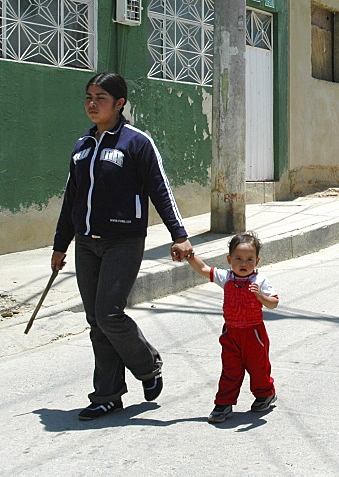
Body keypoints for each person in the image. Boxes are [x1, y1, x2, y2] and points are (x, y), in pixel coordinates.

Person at [51, 72, 194, 421]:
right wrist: (60, 245)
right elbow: (72, 198)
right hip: (86, 243)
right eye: (88, 96)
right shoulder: (82, 146)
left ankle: (148, 365)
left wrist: (180, 234)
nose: (92, 103)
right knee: (95, 320)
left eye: (101, 97)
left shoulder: (136, 142)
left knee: (110, 314)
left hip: (124, 240)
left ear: (119, 103)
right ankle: (107, 395)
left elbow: (160, 189)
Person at [174, 232, 279, 424]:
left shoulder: (260, 281)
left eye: (249, 259)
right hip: (231, 333)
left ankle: (265, 394)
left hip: (254, 333)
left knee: (258, 368)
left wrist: (261, 297)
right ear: (229, 259)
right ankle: (224, 403)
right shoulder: (226, 277)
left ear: (257, 260)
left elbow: (273, 303)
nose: (244, 263)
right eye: (238, 259)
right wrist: (189, 256)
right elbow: (204, 269)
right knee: (230, 369)